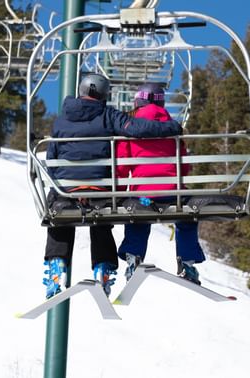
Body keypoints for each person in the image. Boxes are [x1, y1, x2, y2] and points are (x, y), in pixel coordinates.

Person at [43, 74, 183, 299]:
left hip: (66, 190)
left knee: (59, 218)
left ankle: (57, 266)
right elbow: (137, 128)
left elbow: (52, 158)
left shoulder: (61, 120)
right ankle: (103, 268)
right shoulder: (107, 115)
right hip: (100, 188)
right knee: (100, 220)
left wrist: (65, 186)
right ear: (103, 94)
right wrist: (171, 128)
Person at [116, 83, 205, 285]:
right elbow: (184, 167)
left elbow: (121, 166)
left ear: (138, 102)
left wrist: (119, 194)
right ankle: (187, 263)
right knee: (186, 218)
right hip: (172, 196)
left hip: (144, 198)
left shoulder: (129, 128)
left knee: (137, 216)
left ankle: (133, 257)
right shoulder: (174, 128)